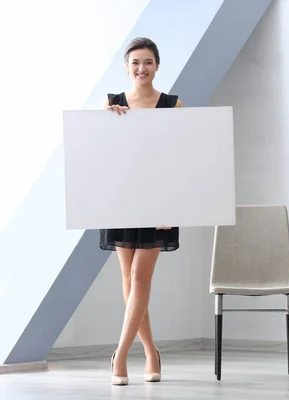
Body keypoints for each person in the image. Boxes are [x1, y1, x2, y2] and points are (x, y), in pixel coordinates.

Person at [99, 37, 183, 386]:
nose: (141, 68)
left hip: (159, 200)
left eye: (148, 62)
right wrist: (105, 122)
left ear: (158, 65)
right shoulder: (112, 104)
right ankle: (151, 351)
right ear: (126, 66)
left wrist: (174, 206)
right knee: (127, 279)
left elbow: (182, 161)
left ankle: (120, 355)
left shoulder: (172, 105)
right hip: (122, 197)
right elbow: (99, 155)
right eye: (135, 62)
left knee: (140, 277)